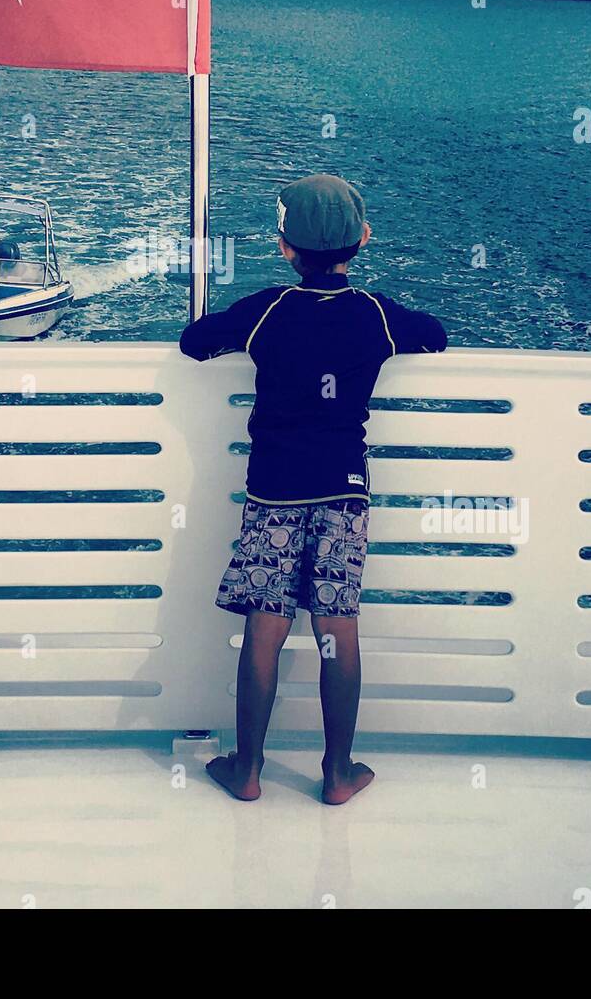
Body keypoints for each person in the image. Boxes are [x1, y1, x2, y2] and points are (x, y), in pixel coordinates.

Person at [179, 174, 447, 805]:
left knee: (265, 625)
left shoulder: (267, 311)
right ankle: (338, 771)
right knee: (338, 627)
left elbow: (195, 343)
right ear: (362, 240)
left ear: (284, 248)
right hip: (344, 490)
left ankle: (247, 769)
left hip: (274, 489)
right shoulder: (376, 315)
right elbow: (433, 333)